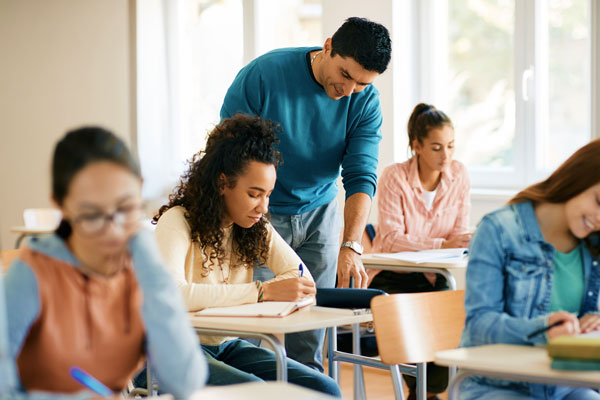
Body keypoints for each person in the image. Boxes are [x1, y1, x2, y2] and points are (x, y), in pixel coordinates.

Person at [220, 16, 392, 371]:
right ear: (327, 46)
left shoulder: (364, 100)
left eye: (361, 83)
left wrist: (351, 244)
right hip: (258, 214)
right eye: (345, 75)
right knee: (252, 327)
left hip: (320, 212)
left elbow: (361, 175)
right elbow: (228, 155)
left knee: (310, 335)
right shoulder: (264, 76)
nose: (349, 89)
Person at [3, 127, 207, 398]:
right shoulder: (30, 275)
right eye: (91, 215)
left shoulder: (142, 271)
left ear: (141, 188)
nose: (113, 229)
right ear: (61, 206)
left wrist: (154, 270)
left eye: (126, 208)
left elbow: (186, 382)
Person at [152, 114, 341, 397]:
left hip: (226, 345)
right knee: (257, 392)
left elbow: (302, 278)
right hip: (171, 350)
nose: (263, 207)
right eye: (254, 194)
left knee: (324, 387)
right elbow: (175, 295)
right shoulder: (177, 221)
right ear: (222, 183)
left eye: (267, 195)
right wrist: (262, 292)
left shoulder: (254, 226)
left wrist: (276, 290)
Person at [460, 138, 600, 399]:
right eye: (599, 202)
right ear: (578, 178)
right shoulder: (498, 230)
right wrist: (543, 329)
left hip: (564, 384)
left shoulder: (594, 244)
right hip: (498, 385)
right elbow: (479, 327)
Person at [369, 103, 471, 399]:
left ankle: (424, 394)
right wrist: (442, 244)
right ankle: (423, 394)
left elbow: (459, 234)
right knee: (416, 339)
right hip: (391, 276)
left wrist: (464, 241)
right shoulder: (394, 176)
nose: (446, 156)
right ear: (417, 146)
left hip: (435, 276)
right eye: (437, 148)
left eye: (451, 146)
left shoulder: (459, 175)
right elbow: (390, 238)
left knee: (451, 330)